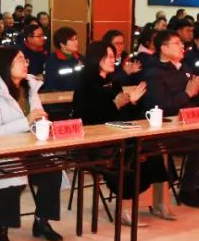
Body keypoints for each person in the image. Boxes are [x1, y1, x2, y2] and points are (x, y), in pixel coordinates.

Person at [73, 41, 171, 221]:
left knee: (154, 148)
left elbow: (125, 115)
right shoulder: (85, 82)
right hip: (95, 141)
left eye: (114, 57)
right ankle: (125, 208)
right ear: (97, 58)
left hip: (117, 134)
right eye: (109, 57)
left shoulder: (114, 82)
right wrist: (115, 105)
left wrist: (132, 102)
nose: (114, 60)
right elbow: (85, 117)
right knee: (130, 156)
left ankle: (160, 202)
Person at [0, 47, 65, 241]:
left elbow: (38, 115)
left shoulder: (29, 88)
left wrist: (42, 123)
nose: (25, 63)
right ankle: (1, 227)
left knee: (52, 171)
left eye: (25, 59)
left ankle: (41, 222)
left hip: (28, 149)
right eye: (19, 60)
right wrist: (28, 120)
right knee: (14, 178)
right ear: (6, 65)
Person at [143, 31, 199, 206]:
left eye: (181, 43)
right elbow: (161, 106)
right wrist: (188, 94)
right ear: (164, 48)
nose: (182, 46)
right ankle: (187, 190)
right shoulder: (153, 73)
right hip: (168, 129)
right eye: (177, 43)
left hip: (192, 123)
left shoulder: (184, 68)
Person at [43, 26, 84, 92]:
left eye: (76, 39)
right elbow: (51, 85)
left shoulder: (80, 58)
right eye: (72, 40)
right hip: (60, 96)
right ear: (62, 44)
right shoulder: (53, 60)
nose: (76, 42)